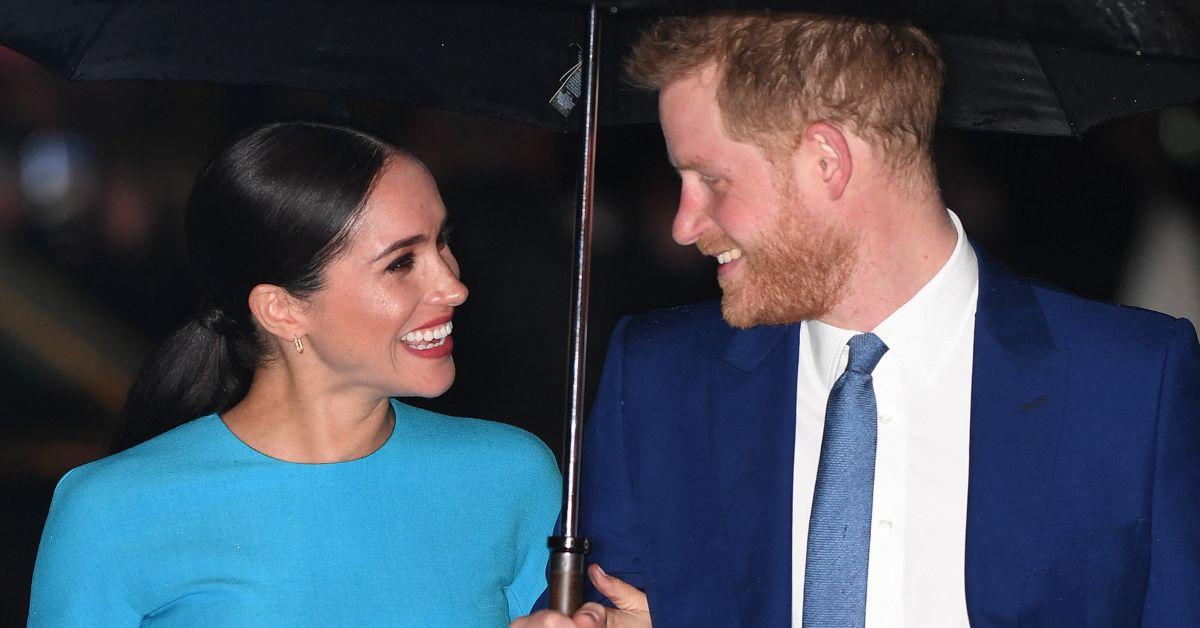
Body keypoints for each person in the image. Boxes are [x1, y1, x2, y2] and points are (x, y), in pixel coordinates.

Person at [514, 12, 1200, 628]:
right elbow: (595, 601)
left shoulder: (1133, 380)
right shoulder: (661, 379)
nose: (685, 223)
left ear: (826, 161)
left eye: (712, 181)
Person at [29, 122, 560, 627]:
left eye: (442, 241)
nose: (452, 286)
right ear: (282, 310)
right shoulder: (112, 510)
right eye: (401, 263)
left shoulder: (509, 475)